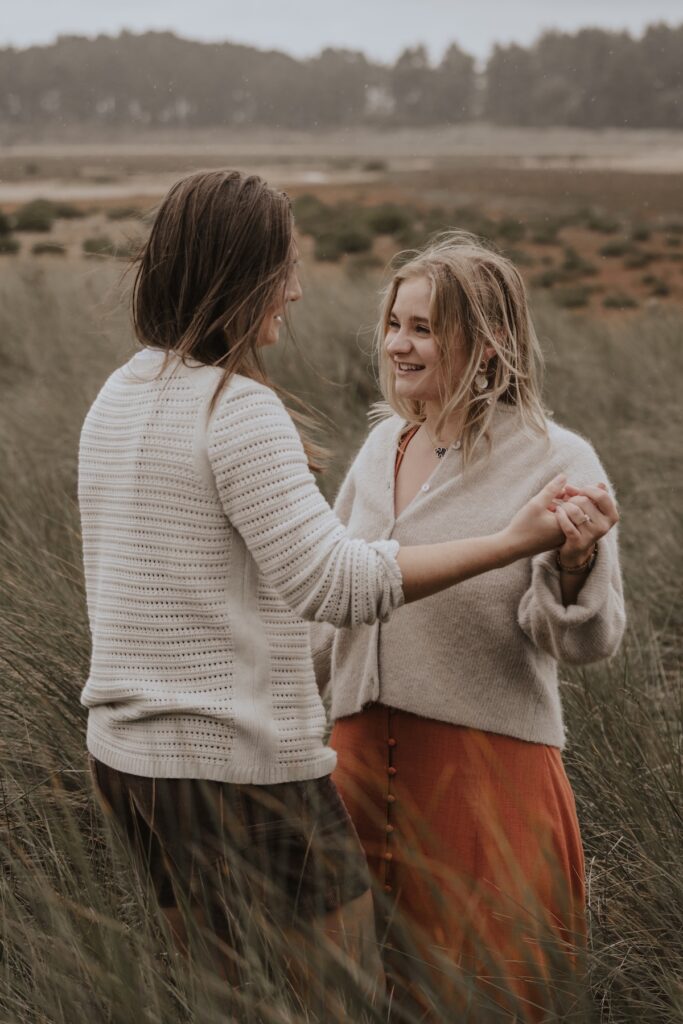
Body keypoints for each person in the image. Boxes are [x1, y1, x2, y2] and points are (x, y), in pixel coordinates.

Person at [78, 172, 571, 1005]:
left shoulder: (119, 394)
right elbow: (338, 585)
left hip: (128, 763)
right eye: (284, 269)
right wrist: (511, 541)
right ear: (238, 275)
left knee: (222, 1002)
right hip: (237, 768)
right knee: (340, 1000)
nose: (297, 291)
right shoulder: (234, 409)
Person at [312, 232, 625, 1019]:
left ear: (485, 344)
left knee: (484, 996)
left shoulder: (557, 458)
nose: (396, 344)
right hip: (352, 770)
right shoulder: (385, 442)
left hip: (482, 782)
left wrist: (575, 565)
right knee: (357, 994)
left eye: (422, 328)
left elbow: (588, 640)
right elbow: (328, 602)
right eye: (393, 323)